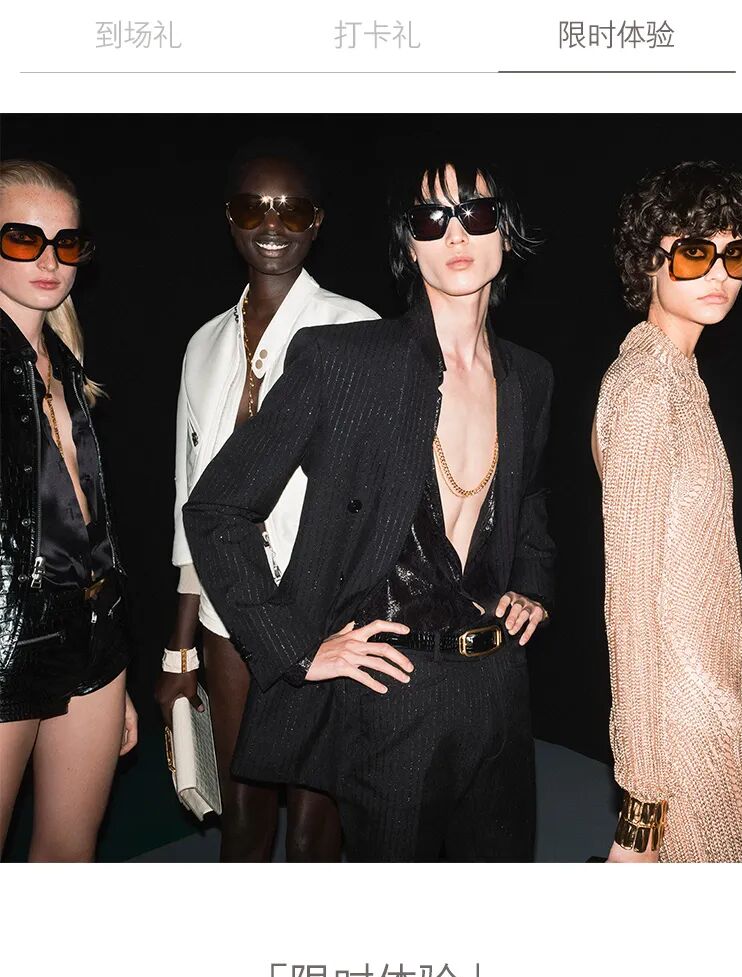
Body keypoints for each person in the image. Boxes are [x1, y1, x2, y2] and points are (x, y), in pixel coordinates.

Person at [184, 156, 554, 862]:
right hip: (391, 690)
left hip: (499, 687)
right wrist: (296, 647)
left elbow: (531, 496)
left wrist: (533, 583)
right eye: (431, 220)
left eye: (475, 214)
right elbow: (218, 509)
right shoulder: (346, 361)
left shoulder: (531, 377)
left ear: (503, 233)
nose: (455, 234)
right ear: (408, 245)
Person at [155, 140, 378, 862]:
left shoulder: (356, 329)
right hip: (228, 616)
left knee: (317, 825)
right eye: (254, 208)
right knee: (242, 816)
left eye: (293, 209)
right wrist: (178, 649)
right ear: (230, 218)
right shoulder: (202, 346)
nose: (273, 224)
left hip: (324, 616)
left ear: (318, 222)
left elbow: (381, 494)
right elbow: (192, 502)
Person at [593, 160, 742, 863]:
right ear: (649, 261)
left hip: (711, 700)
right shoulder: (645, 390)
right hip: (678, 729)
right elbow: (629, 606)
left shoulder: (679, 374)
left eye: (735, 254)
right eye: (693, 252)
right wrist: (641, 809)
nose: (719, 273)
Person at [0, 159, 137, 862]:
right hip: (5, 637)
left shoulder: (66, 363)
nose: (49, 260)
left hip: (92, 632)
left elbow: (88, 527)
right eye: (22, 238)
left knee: (67, 856)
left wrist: (112, 670)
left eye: (67, 242)